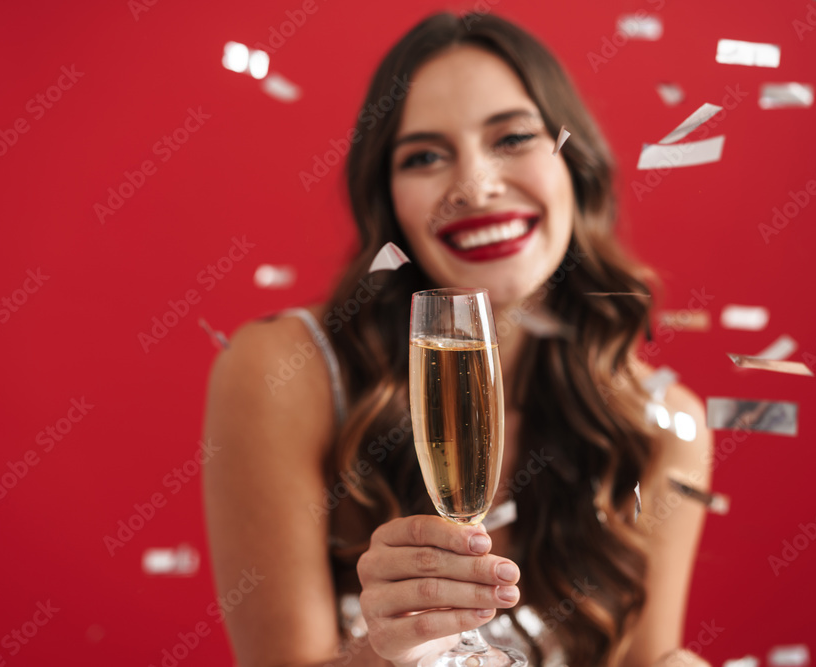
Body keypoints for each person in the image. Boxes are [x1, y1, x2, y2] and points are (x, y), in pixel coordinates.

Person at [202, 11, 715, 667]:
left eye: (513, 138)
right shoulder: (284, 371)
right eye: (424, 156)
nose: (474, 186)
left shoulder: (664, 426)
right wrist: (378, 654)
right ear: (390, 203)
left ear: (575, 163)